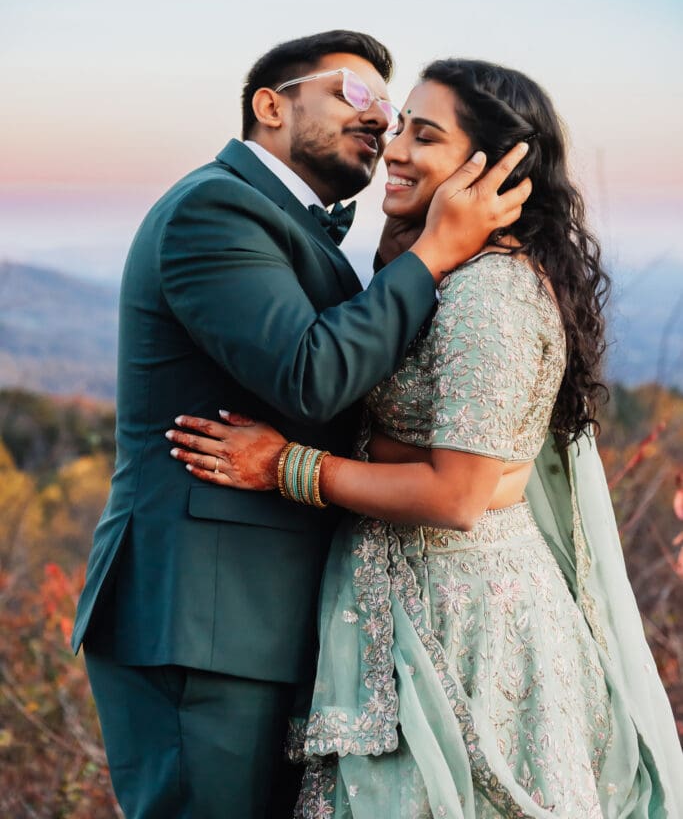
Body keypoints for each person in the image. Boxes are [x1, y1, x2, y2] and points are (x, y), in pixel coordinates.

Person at [168, 59, 683, 817]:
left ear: (496, 169)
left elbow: (456, 494)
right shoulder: (437, 276)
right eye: (400, 126)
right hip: (394, 603)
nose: (394, 148)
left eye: (425, 136)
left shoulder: (491, 293)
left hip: (467, 624)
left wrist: (286, 467)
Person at [72, 32, 531, 819]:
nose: (381, 121)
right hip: (203, 622)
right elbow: (311, 374)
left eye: (392, 111)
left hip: (265, 620)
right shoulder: (214, 208)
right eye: (357, 95)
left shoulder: (296, 228)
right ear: (271, 106)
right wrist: (432, 254)